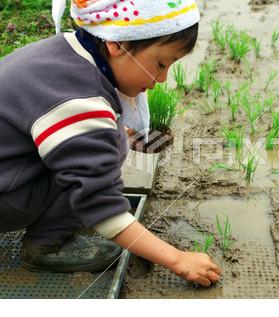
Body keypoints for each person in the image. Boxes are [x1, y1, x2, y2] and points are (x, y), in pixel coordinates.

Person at [0, 0, 221, 287]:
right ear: (120, 43)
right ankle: (48, 246)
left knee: (112, 138)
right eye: (160, 64)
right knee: (105, 153)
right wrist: (177, 259)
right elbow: (101, 204)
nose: (162, 79)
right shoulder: (79, 100)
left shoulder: (62, 52)